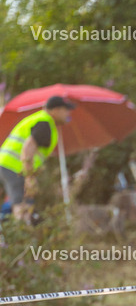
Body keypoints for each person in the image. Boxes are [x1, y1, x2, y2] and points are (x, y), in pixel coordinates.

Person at [0, 95, 76, 223]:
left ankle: (15, 232)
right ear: (56, 110)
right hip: (14, 167)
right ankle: (22, 237)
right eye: (66, 109)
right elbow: (27, 150)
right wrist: (29, 177)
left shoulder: (42, 121)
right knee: (22, 204)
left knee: (23, 202)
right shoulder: (44, 123)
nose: (68, 113)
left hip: (7, 164)